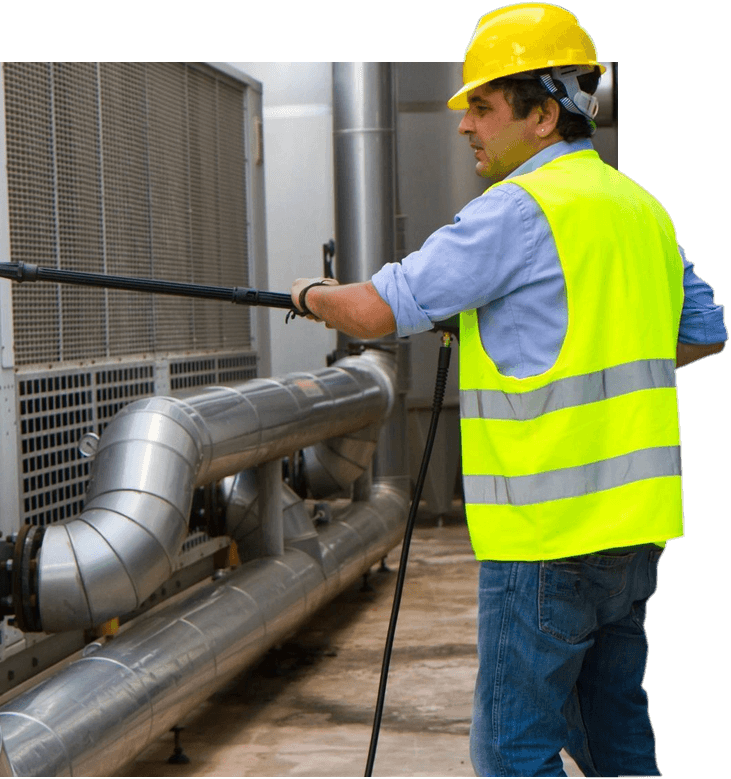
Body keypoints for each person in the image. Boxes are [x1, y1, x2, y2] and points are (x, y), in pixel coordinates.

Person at [292, 6, 727, 777]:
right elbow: (701, 332)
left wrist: (309, 293)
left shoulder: (515, 213)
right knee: (614, 730)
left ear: (543, 112)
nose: (466, 126)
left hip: (545, 537)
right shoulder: (641, 209)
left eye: (483, 107)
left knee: (512, 749)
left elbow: (372, 309)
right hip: (633, 529)